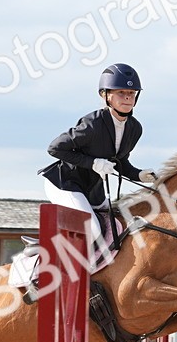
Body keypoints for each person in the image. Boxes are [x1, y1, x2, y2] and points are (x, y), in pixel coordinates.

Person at [40, 63, 158, 266]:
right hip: (65, 184)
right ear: (106, 95)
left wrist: (139, 175)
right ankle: (44, 270)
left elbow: (119, 163)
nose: (128, 97)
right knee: (92, 228)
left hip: (92, 190)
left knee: (119, 222)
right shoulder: (92, 124)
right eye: (121, 93)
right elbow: (55, 148)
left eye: (131, 93)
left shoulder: (134, 128)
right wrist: (93, 163)